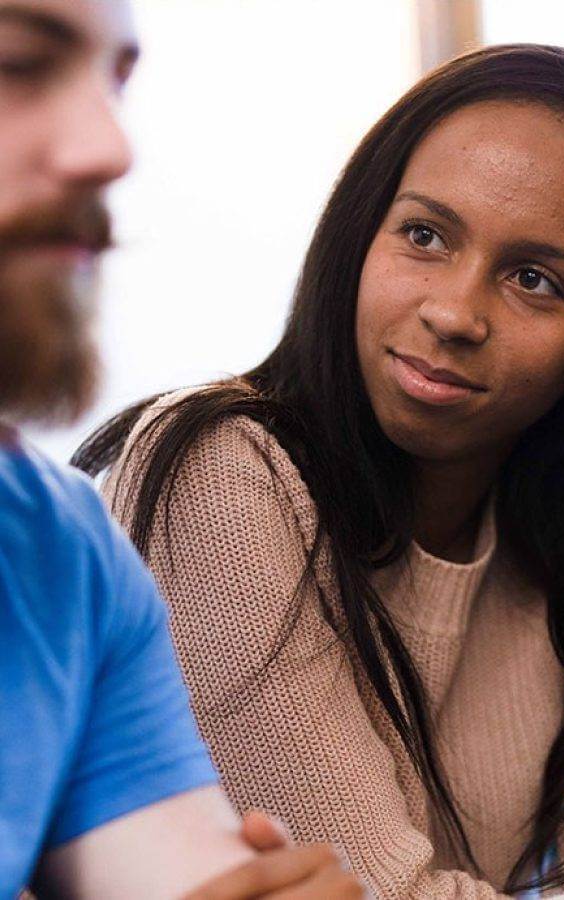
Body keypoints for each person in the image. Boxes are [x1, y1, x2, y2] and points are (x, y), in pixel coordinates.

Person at [75, 43, 564, 899]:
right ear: (361, 237)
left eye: (534, 280)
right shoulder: (219, 468)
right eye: (425, 235)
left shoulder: (562, 547)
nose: (453, 313)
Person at [0, 1, 366, 898]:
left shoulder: (57, 548)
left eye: (114, 81)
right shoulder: (225, 466)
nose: (111, 148)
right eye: (16, 63)